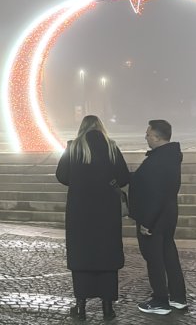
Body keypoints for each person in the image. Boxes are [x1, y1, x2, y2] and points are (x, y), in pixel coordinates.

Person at [56, 115, 130, 321]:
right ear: (101, 127)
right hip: (107, 212)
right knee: (106, 257)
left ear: (82, 128)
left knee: (82, 256)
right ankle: (108, 308)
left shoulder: (74, 147)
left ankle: (80, 307)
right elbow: (124, 177)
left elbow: (61, 175)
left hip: (80, 213)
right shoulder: (111, 147)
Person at [129, 119, 188, 315]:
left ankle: (160, 301)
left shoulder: (158, 160)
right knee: (169, 256)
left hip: (154, 218)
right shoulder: (170, 156)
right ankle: (178, 297)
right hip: (168, 215)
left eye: (148, 134)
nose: (145, 137)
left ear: (156, 137)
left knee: (154, 259)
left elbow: (156, 193)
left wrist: (148, 222)